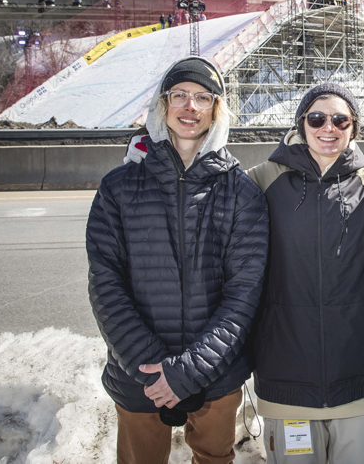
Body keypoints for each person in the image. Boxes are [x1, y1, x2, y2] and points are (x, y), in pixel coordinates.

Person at [86, 56, 270, 464]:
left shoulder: (241, 192)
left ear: (216, 110)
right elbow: (105, 284)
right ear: (163, 104)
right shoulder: (119, 188)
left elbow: (243, 296)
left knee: (213, 458)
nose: (190, 107)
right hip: (138, 374)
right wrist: (150, 369)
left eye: (203, 97)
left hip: (215, 372)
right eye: (180, 96)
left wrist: (189, 371)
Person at [246, 83, 364, 463]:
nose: (329, 127)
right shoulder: (263, 180)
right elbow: (205, 192)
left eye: (341, 119)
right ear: (301, 123)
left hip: (358, 376)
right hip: (287, 381)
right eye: (317, 118)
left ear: (354, 127)